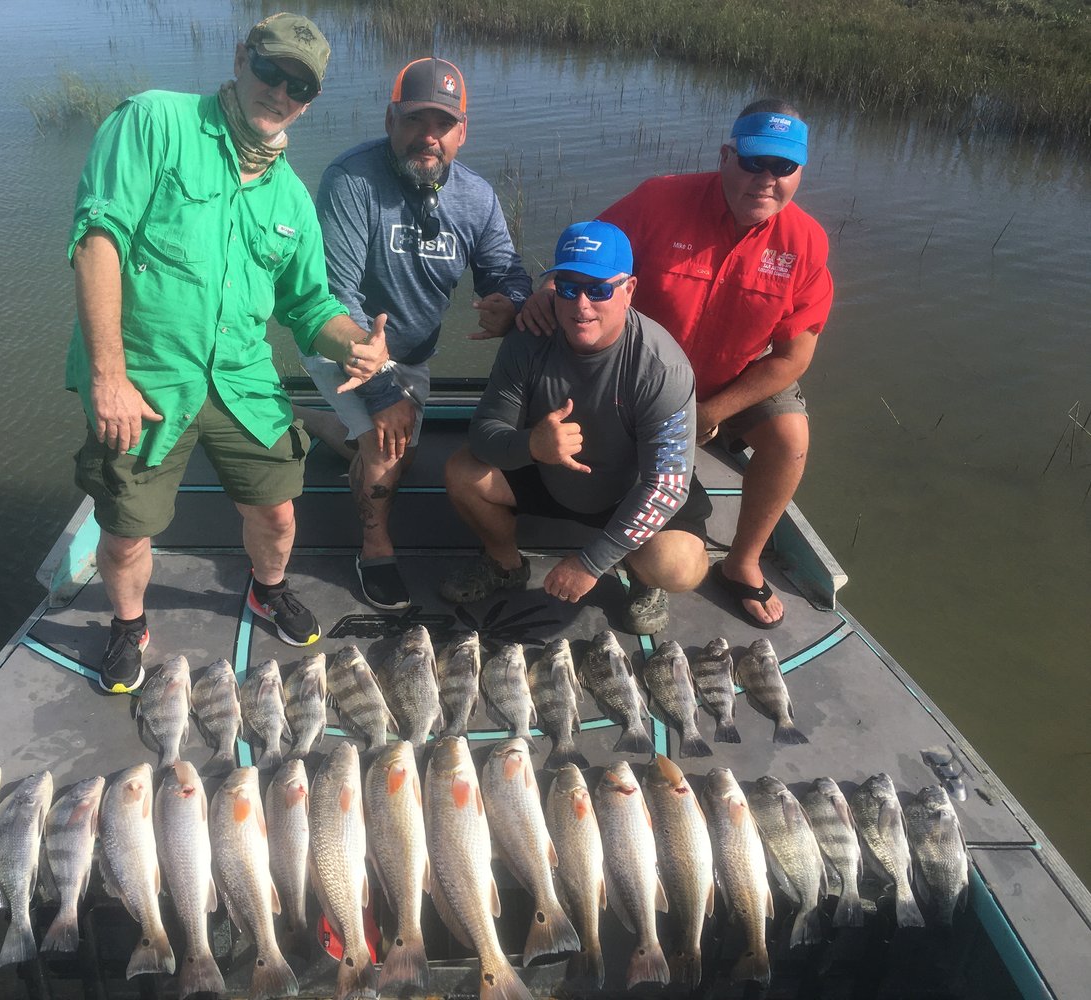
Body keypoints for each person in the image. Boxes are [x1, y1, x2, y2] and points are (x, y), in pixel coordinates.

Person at [65, 13, 389, 693]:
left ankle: (266, 589)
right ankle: (128, 625)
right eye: (270, 70)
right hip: (146, 377)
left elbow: (309, 309)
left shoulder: (291, 197)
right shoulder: (154, 122)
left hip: (244, 378)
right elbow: (99, 238)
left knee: (276, 511)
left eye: (299, 87)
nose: (281, 92)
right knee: (126, 529)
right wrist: (108, 375)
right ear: (242, 58)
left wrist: (357, 345)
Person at [519, 99, 834, 629]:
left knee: (791, 437)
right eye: (754, 161)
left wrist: (713, 410)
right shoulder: (660, 199)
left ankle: (741, 562)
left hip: (729, 381)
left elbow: (793, 356)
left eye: (784, 167)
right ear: (726, 155)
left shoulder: (806, 243)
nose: (766, 179)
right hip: (639, 377)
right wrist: (546, 289)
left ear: (800, 171)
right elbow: (591, 258)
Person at [297, 56, 531, 611]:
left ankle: (303, 419)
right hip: (342, 343)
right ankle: (374, 549)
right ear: (390, 120)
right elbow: (333, 293)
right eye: (415, 121)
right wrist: (381, 389)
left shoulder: (475, 198)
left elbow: (505, 267)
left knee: (386, 442)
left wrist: (511, 302)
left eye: (443, 125)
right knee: (388, 444)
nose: (428, 137)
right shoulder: (352, 179)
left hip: (412, 356)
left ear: (462, 131)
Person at [440, 221, 710, 635]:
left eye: (599, 289)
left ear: (629, 290)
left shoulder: (662, 367)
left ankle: (643, 578)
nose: (581, 305)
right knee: (462, 472)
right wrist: (532, 444)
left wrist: (591, 563)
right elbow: (483, 433)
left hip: (629, 490)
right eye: (568, 287)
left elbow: (667, 486)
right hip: (548, 474)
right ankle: (504, 563)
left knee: (680, 565)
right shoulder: (529, 338)